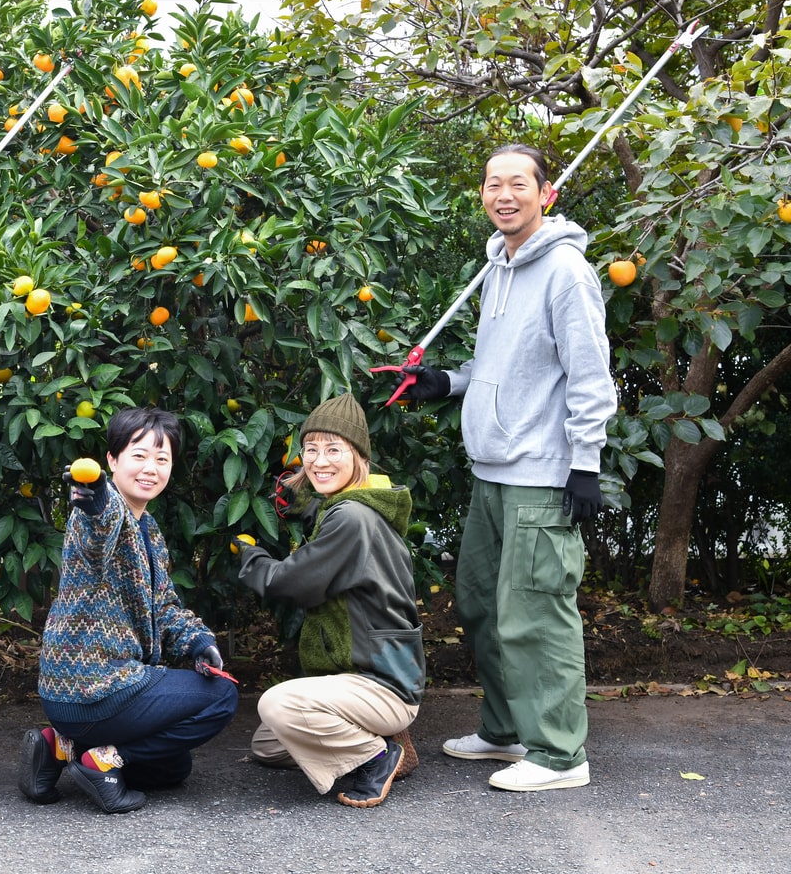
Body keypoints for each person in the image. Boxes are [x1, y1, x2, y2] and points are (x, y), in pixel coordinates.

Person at [404, 143, 617, 792]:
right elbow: (501, 368)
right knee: (479, 605)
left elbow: (589, 378)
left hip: (539, 473)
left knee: (535, 613)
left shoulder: (566, 273)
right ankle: (505, 729)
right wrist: (446, 382)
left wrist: (584, 464)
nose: (505, 194)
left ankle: (559, 755)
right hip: (490, 472)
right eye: (493, 183)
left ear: (545, 193)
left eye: (519, 183)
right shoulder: (497, 268)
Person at [20, 407, 240, 814]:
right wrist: (97, 499)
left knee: (171, 768)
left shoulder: (148, 528)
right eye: (139, 455)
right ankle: (102, 761)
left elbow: (164, 605)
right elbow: (98, 530)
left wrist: (198, 641)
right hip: (98, 687)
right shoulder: (101, 515)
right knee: (221, 697)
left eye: (162, 458)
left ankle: (60, 747)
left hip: (82, 697)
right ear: (112, 460)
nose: (150, 468)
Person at [236, 393, 425, 809]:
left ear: (358, 456)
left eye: (334, 450)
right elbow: (335, 522)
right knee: (269, 742)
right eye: (311, 449)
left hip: (381, 684)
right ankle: (381, 739)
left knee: (277, 704)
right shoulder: (354, 508)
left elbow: (293, 583)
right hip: (362, 678)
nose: (319, 461)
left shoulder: (351, 518)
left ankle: (377, 755)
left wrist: (252, 559)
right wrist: (305, 504)